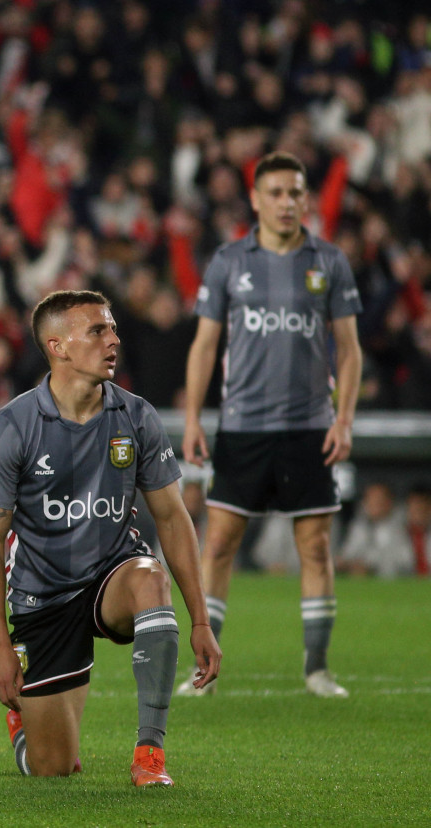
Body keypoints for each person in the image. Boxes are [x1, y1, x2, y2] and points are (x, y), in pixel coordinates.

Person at [0, 290, 220, 787]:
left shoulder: (137, 416)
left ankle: (150, 754)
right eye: (98, 331)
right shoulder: (13, 426)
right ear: (58, 346)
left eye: (112, 329)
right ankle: (24, 726)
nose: (114, 340)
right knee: (52, 769)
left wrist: (200, 619)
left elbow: (171, 519)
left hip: (113, 573)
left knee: (151, 579)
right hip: (41, 594)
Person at [181, 151, 362, 698]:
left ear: (306, 199)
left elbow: (349, 352)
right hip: (242, 427)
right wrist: (192, 417)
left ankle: (317, 670)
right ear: (256, 199)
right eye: (276, 192)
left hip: (309, 426)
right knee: (216, 548)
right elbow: (205, 345)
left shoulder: (328, 261)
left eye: (296, 192)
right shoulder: (229, 261)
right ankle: (205, 672)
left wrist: (345, 418)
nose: (287, 202)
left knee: (314, 547)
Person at [338, 482, 414, 578]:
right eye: (371, 499)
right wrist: (346, 563)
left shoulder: (403, 525)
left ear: (389, 502)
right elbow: (347, 554)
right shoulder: (358, 526)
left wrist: (371, 566)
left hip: (394, 584)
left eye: (380, 499)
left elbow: (406, 562)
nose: (375, 503)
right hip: (363, 583)